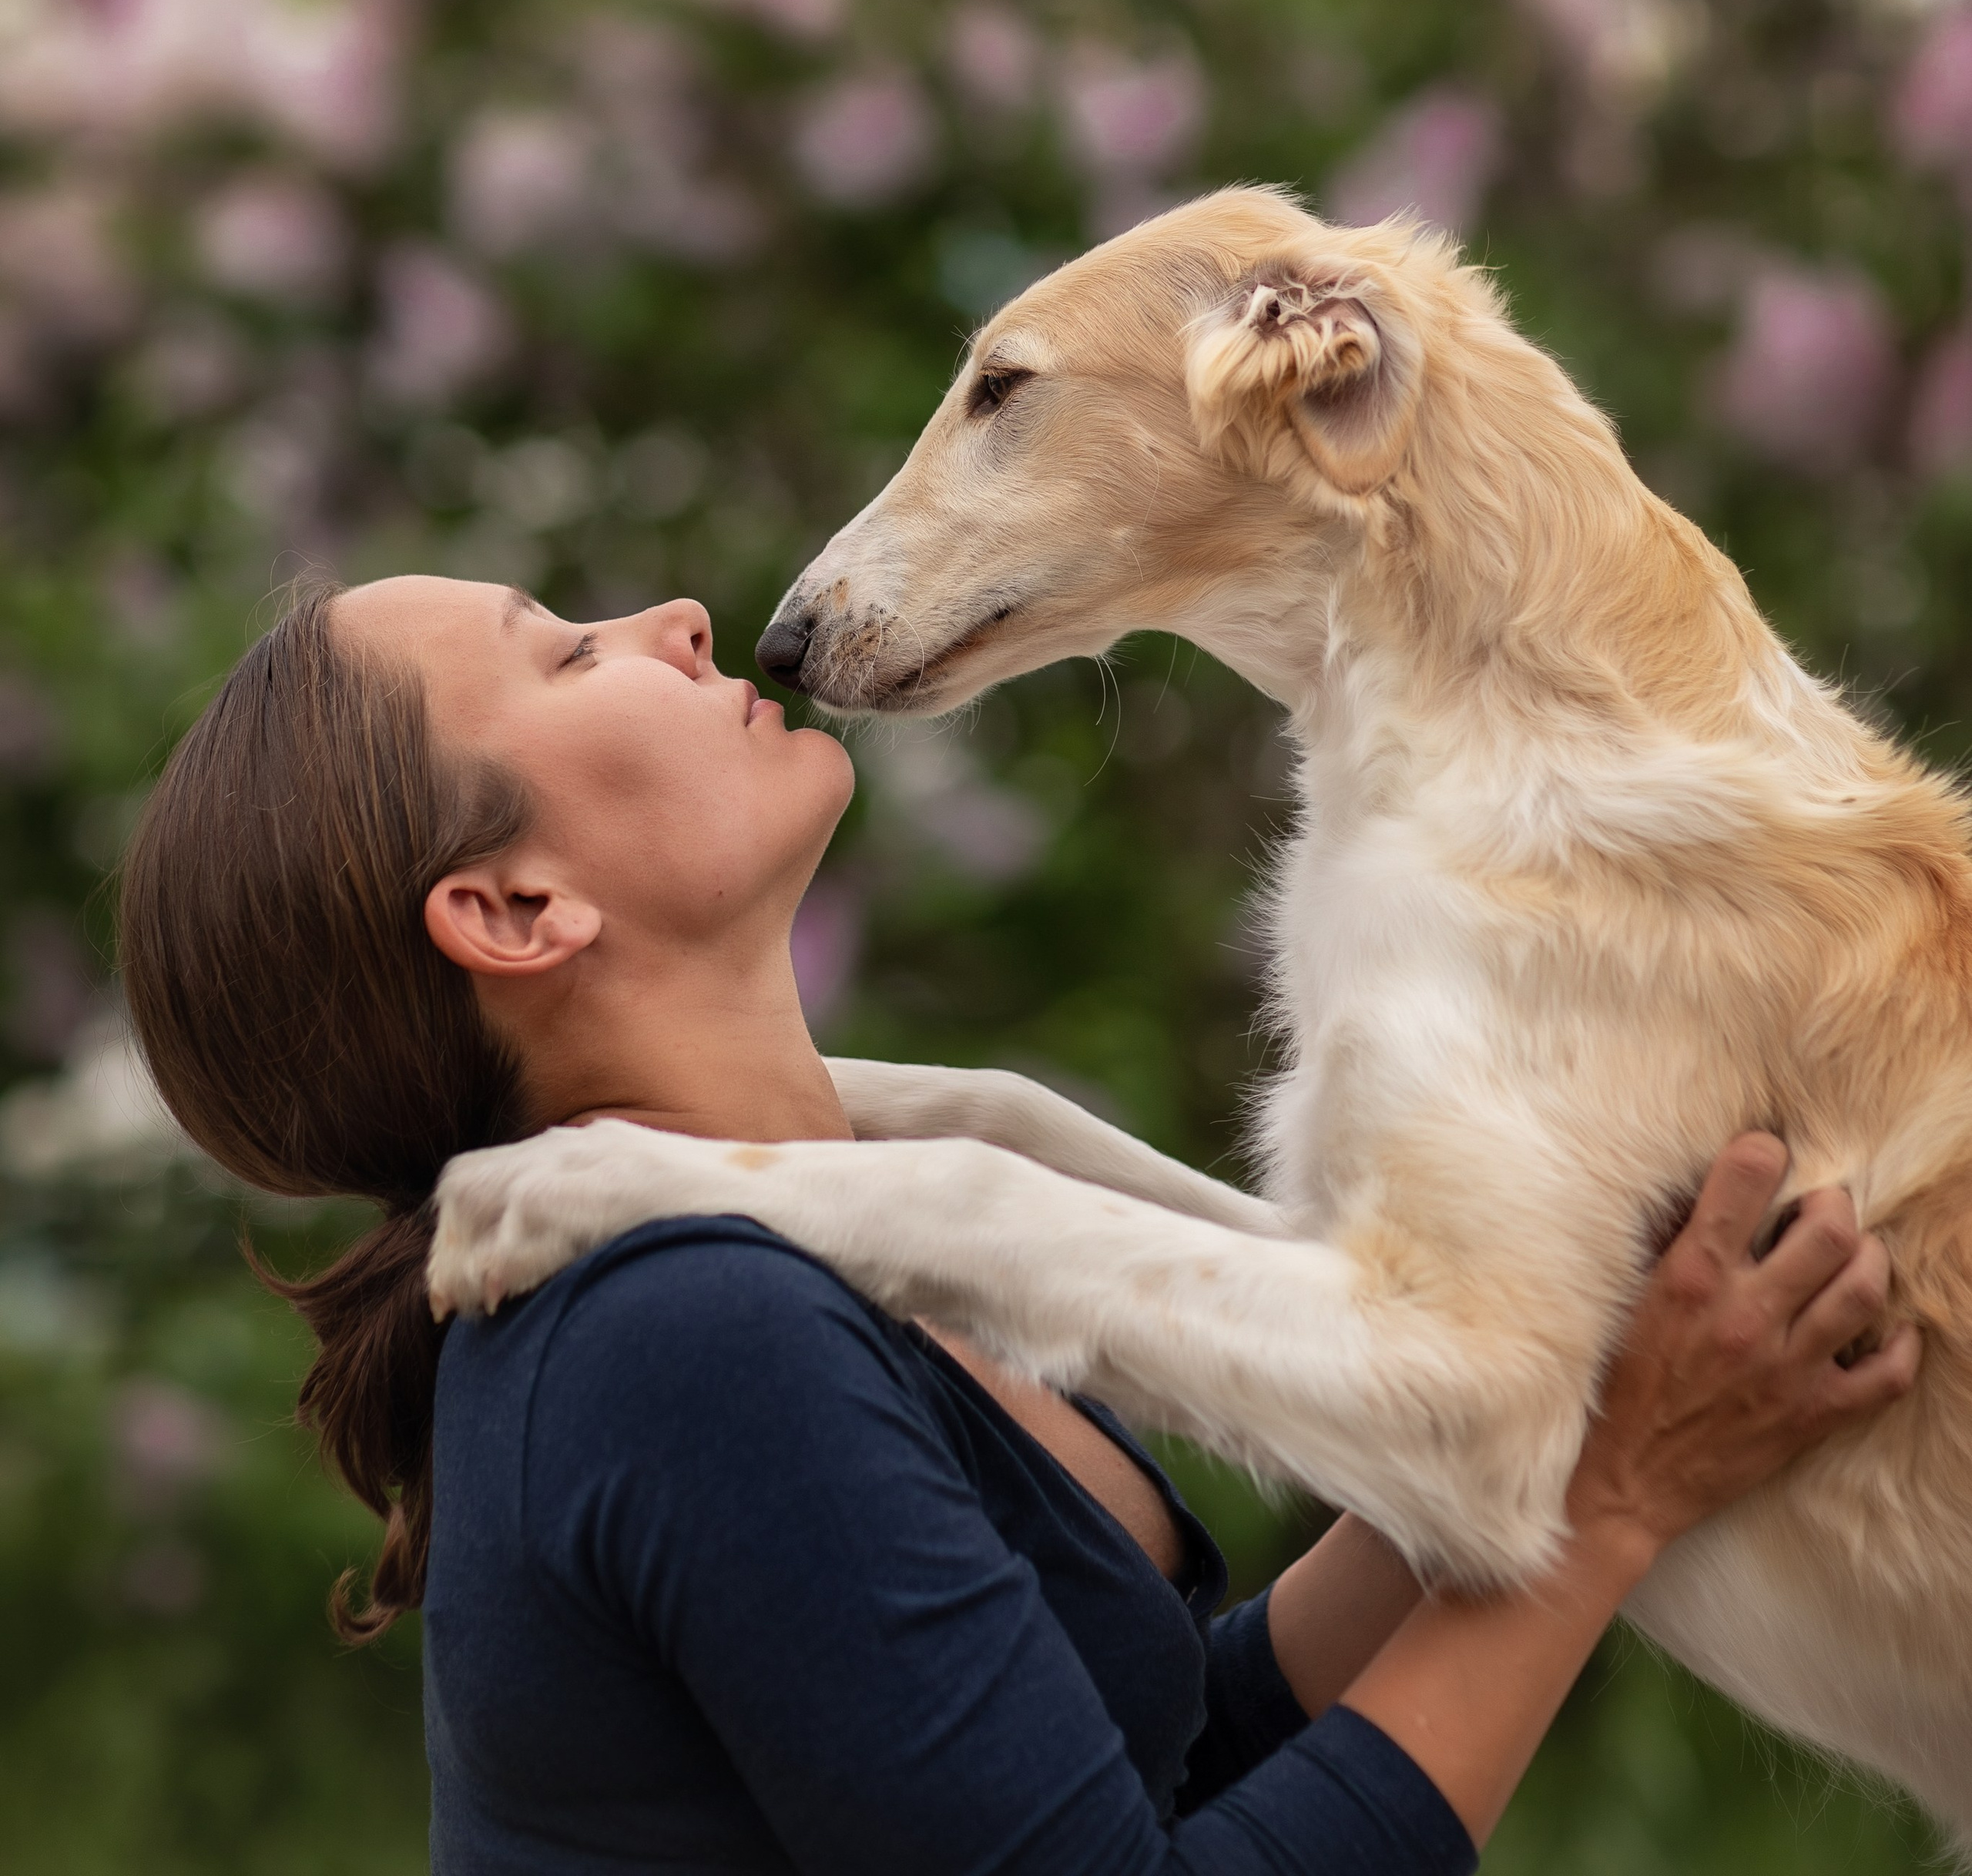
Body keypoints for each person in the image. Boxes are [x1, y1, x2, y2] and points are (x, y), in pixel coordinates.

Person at [119, 578, 1918, 1876]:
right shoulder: (675, 1338)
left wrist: (1577, 1369)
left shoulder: (813, 1251)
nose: (672, 618)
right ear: (514, 908)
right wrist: (1608, 1506)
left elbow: (1140, 1763)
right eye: (566, 651)